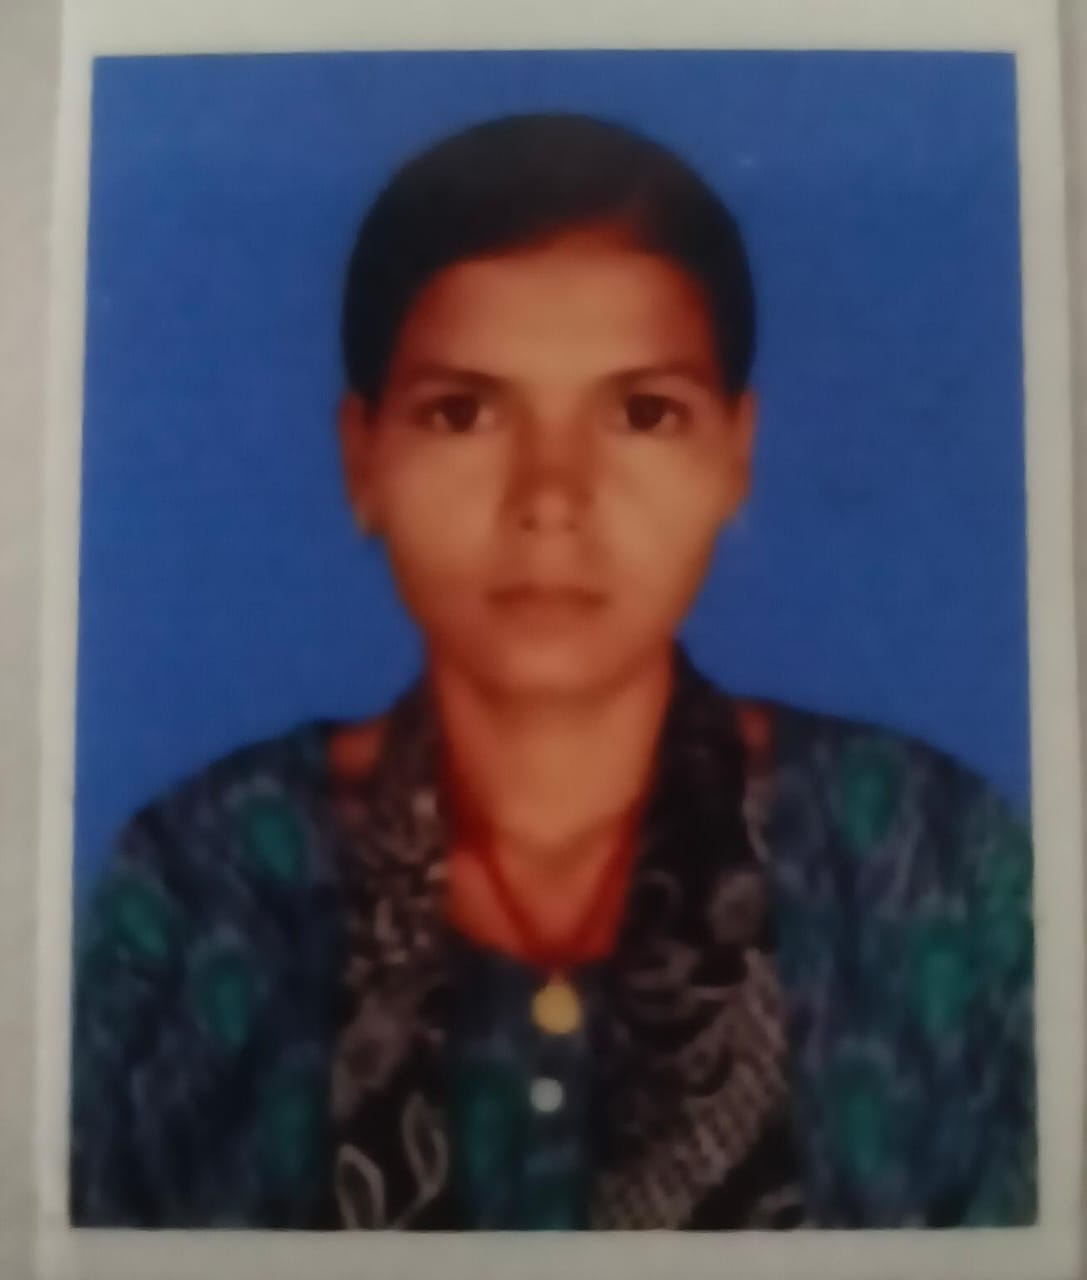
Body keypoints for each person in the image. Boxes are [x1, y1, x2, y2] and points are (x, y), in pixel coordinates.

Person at [69, 112, 1035, 1231]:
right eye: (463, 412)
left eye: (642, 412)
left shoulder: (922, 863)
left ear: (735, 452)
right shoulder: (206, 885)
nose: (550, 497)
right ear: (362, 457)